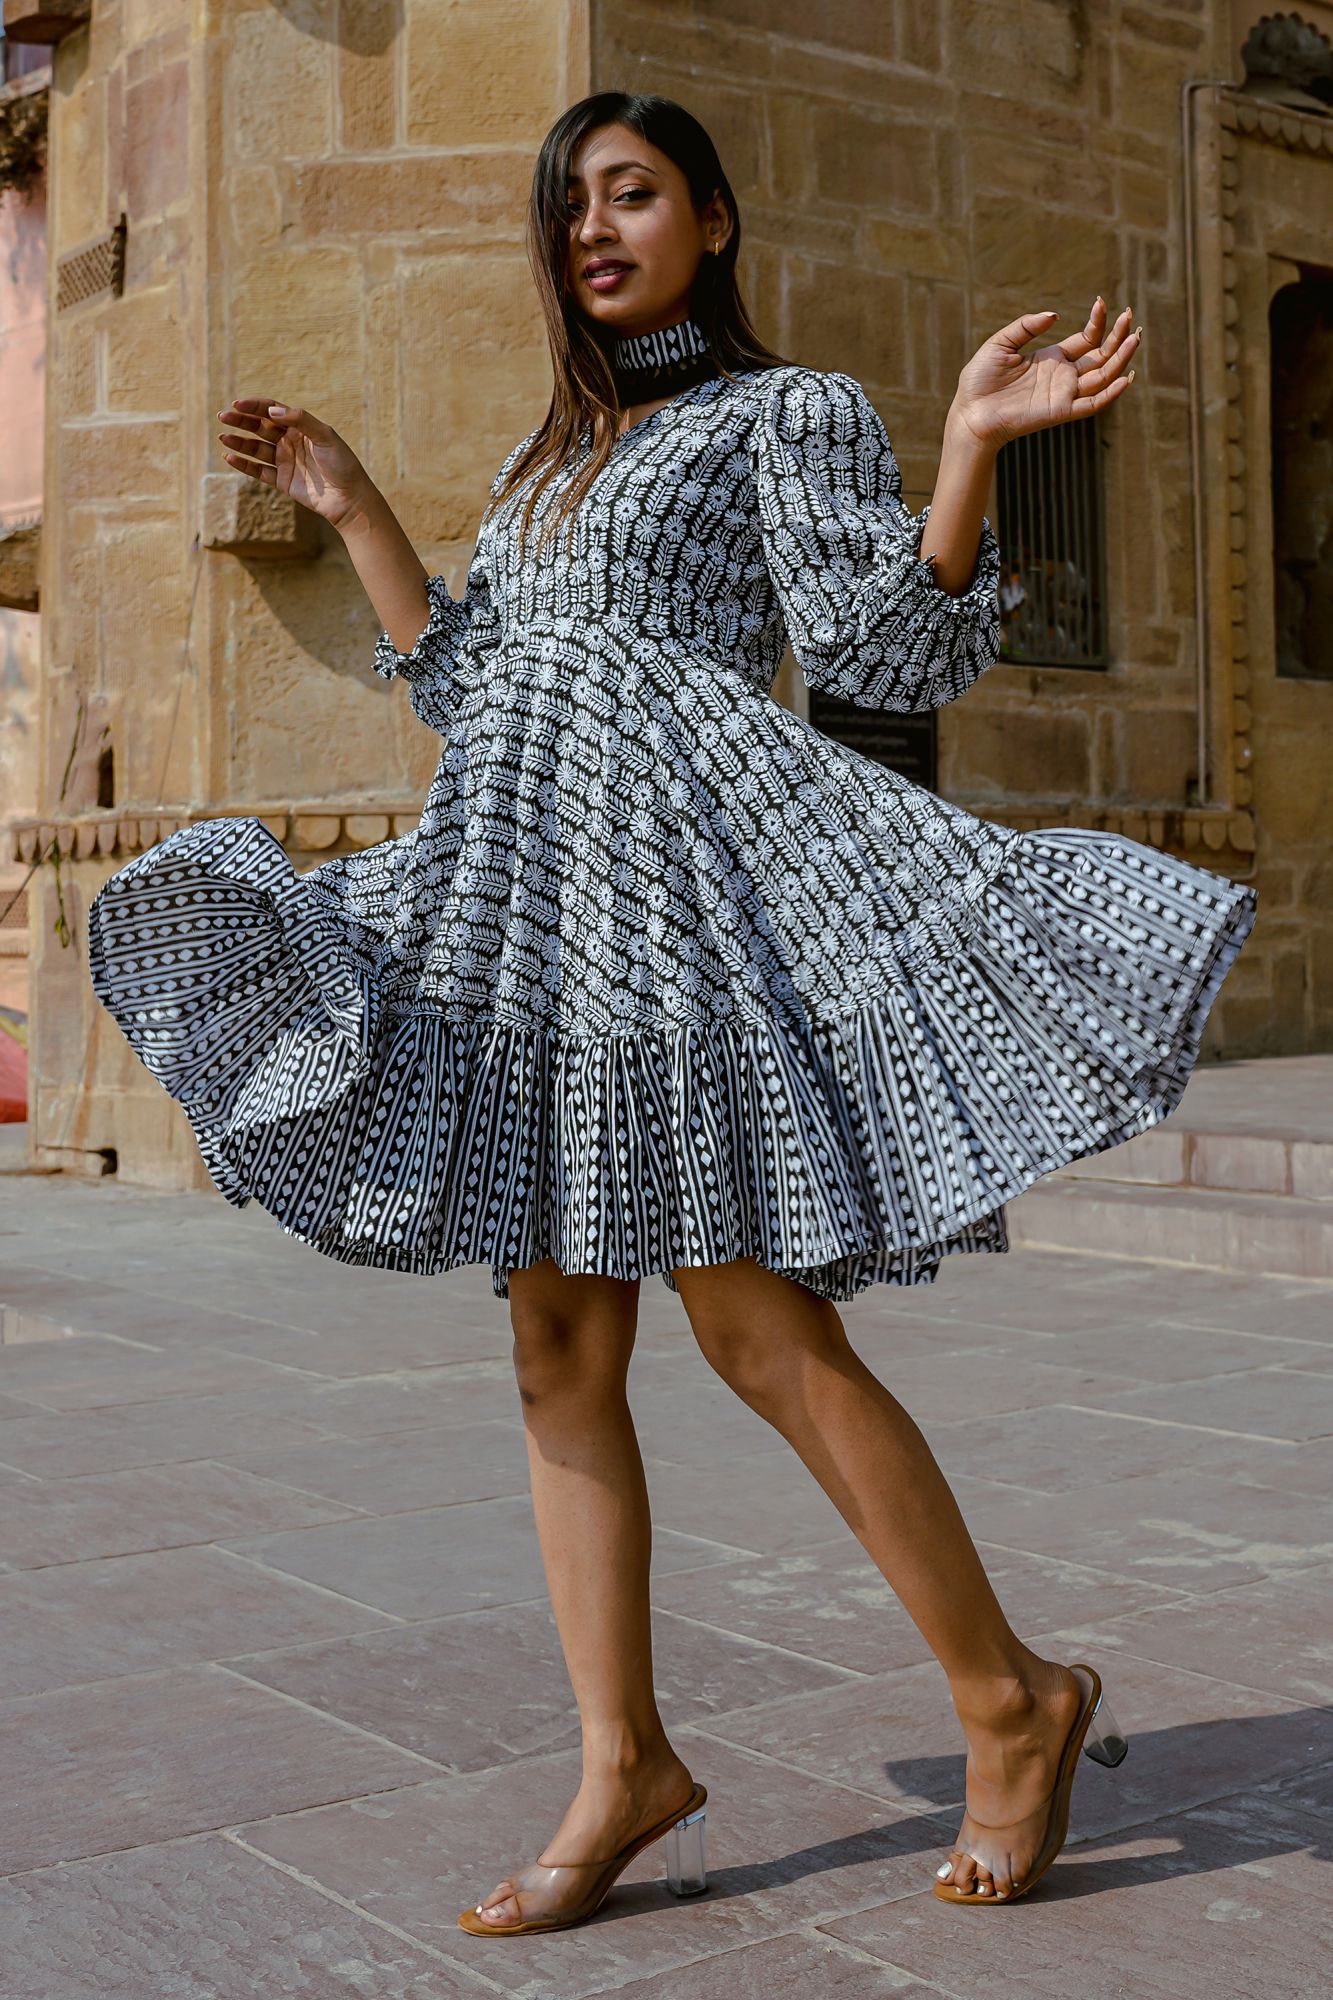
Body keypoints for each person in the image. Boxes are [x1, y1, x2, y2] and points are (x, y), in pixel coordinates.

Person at [87, 91, 1255, 1930]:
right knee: (557, 1340)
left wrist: (959, 446)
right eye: (568, 212)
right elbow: (475, 690)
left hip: (680, 919)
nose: (595, 232)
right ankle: (622, 1758)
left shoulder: (781, 412)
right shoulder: (548, 460)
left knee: (756, 1332)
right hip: (531, 916)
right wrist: (349, 499)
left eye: (630, 197)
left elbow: (880, 647)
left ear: (712, 215)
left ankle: (1009, 1699)